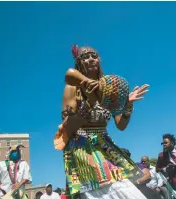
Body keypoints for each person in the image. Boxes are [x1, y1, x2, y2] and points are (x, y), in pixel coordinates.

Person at [54, 45, 149, 199]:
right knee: (108, 191)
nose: (90, 58)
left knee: (126, 190)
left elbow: (121, 125)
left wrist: (127, 105)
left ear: (99, 60)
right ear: (79, 63)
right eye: (85, 57)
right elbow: (68, 127)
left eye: (93, 55)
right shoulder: (72, 88)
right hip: (83, 148)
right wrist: (90, 104)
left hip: (106, 146)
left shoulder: (108, 88)